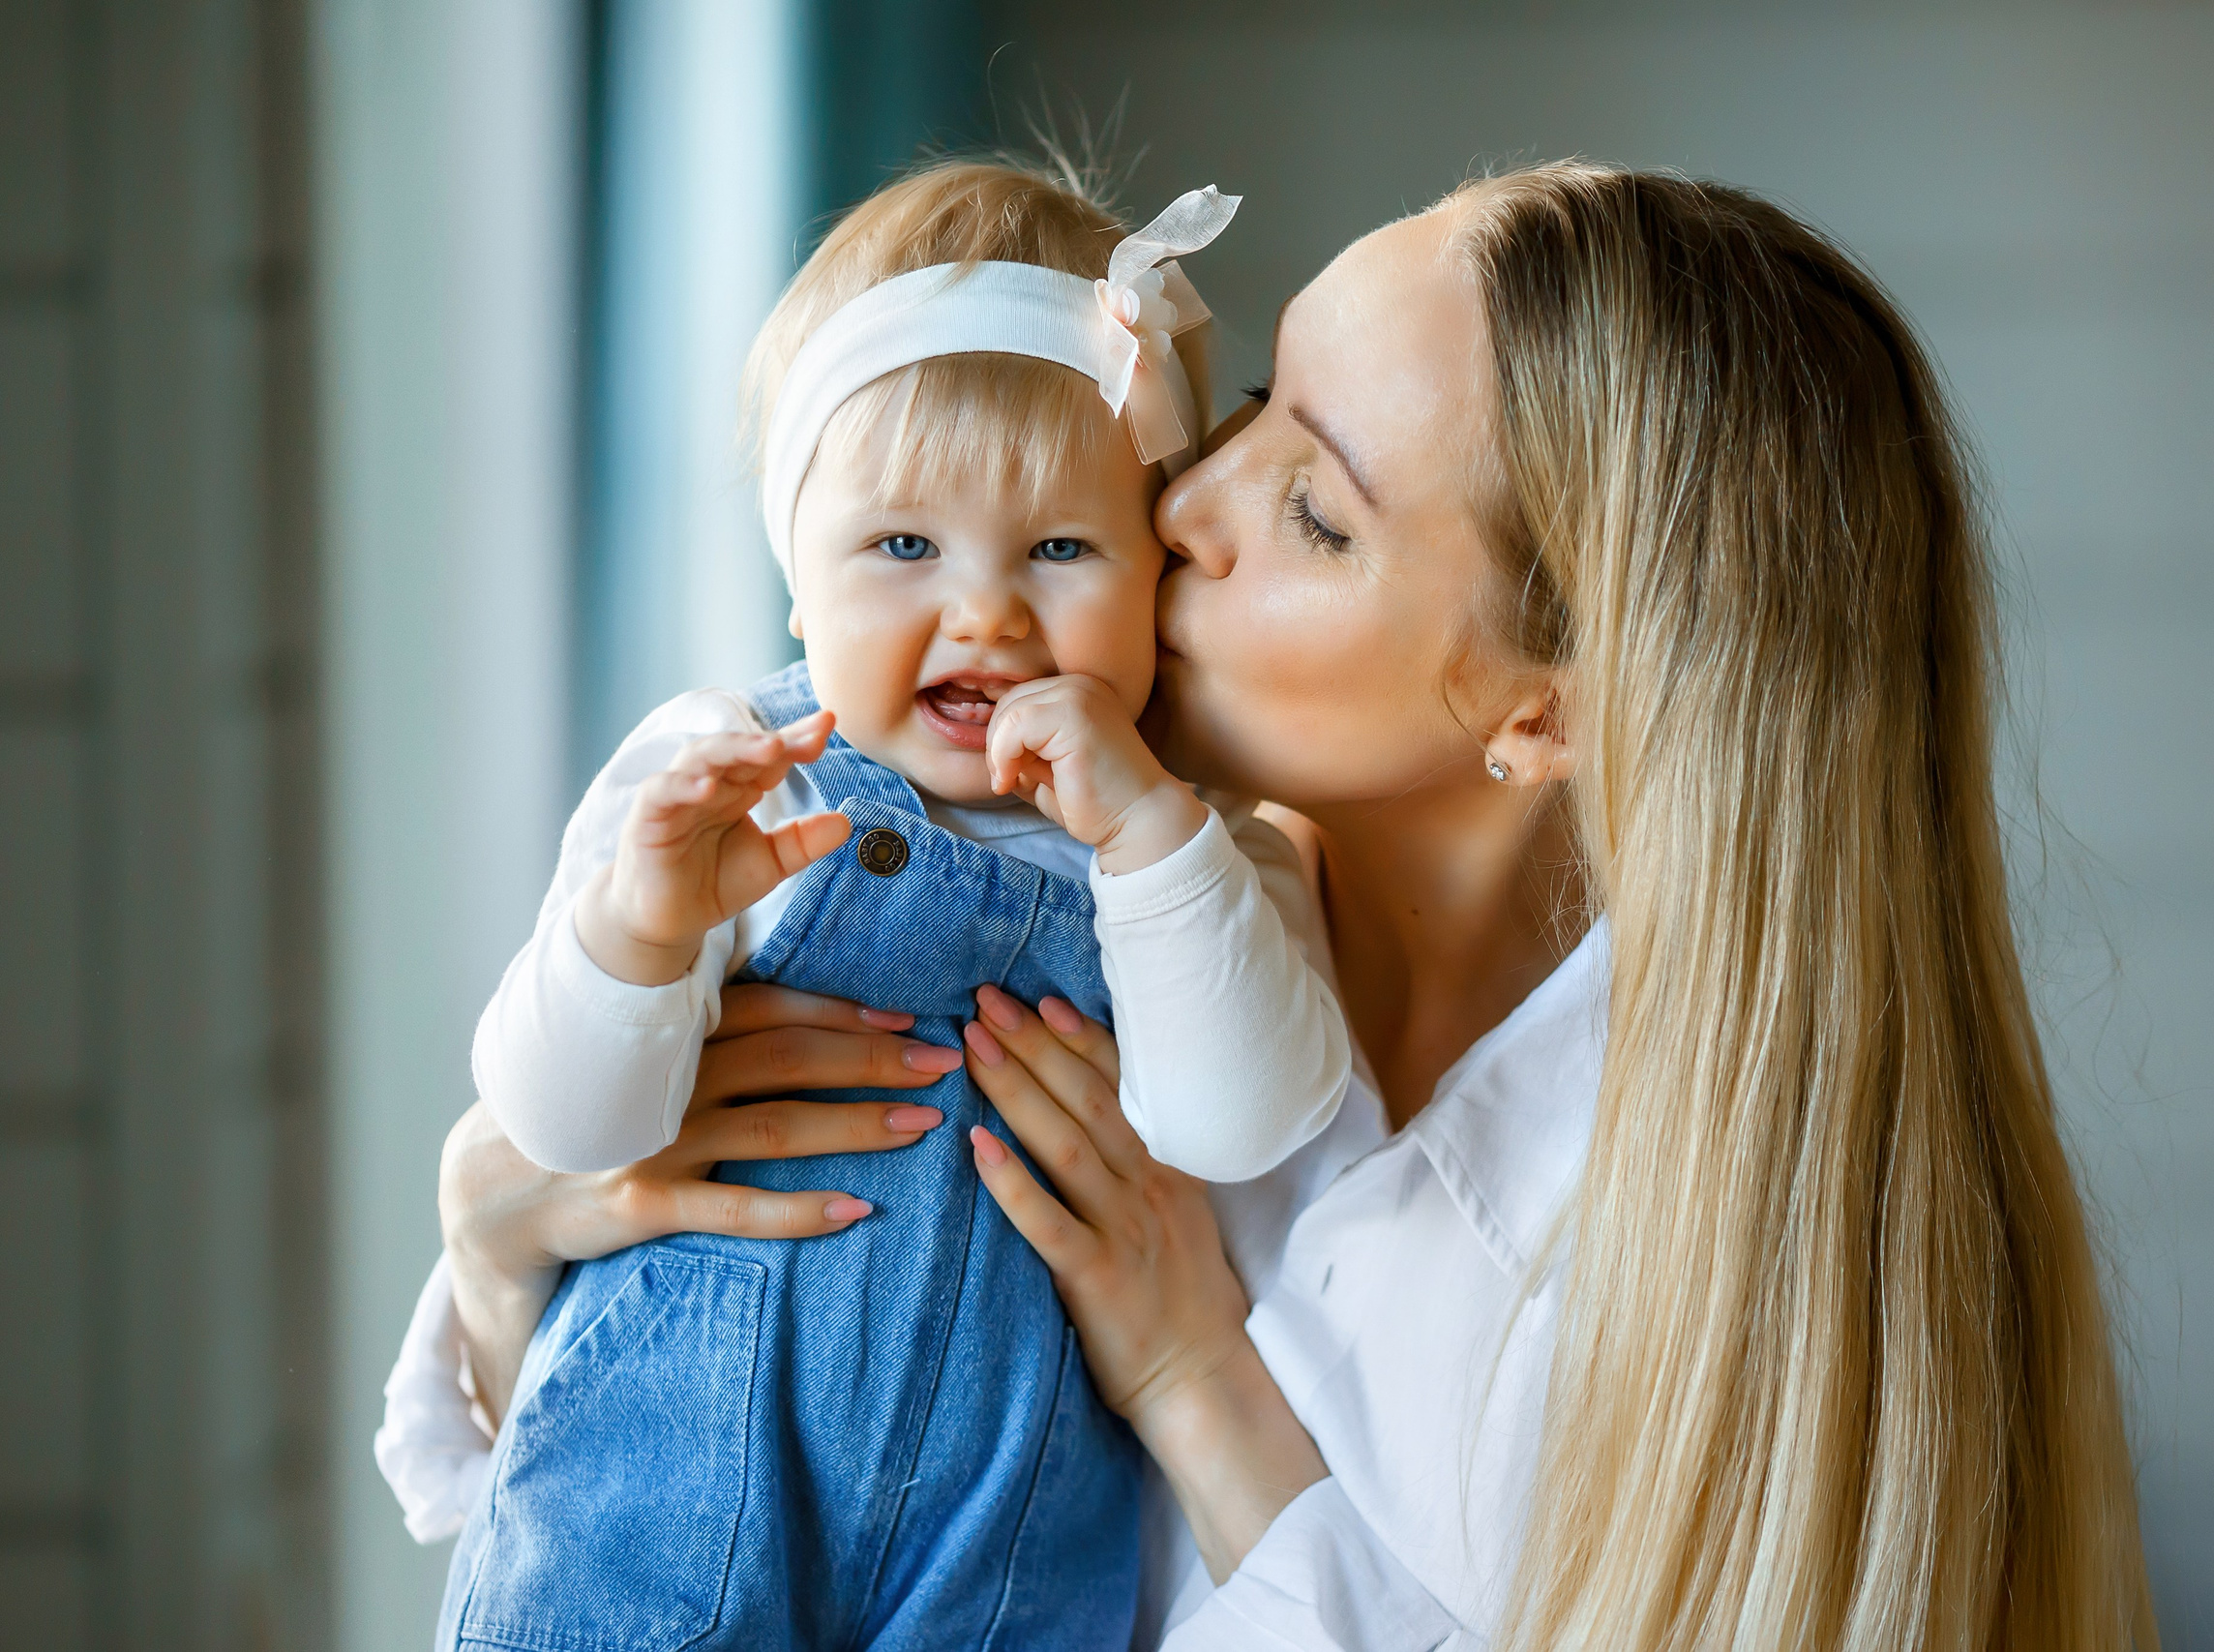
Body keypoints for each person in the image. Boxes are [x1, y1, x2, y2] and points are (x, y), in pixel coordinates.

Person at [386, 161, 2160, 1648]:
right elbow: (643, 1486)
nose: (1182, 502)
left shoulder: (1668, 1289)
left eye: (1313, 508)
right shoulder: (1126, 910)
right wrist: (493, 1245)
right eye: (1250, 410)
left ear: (1545, 712)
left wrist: (1196, 1386)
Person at [430, 161, 1353, 1652]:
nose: (984, 611)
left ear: (1157, 579)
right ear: (800, 579)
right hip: (660, 1483)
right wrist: (645, 930)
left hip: (1008, 1534)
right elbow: (569, 1123)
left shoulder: (1202, 858)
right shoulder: (724, 781)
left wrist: (1147, 842)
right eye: (902, 546)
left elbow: (1239, 1123)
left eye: (1061, 548)